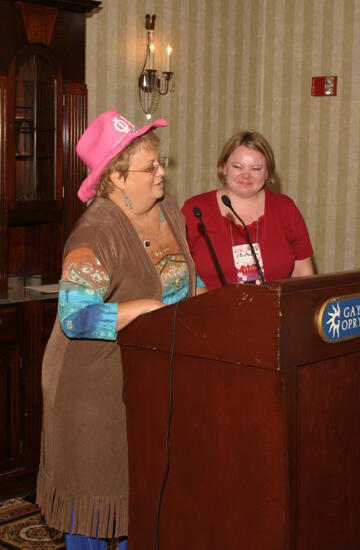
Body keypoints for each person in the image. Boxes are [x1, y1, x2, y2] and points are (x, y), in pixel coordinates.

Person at [36, 109, 206, 549]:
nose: (161, 172)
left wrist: (215, 303)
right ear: (115, 177)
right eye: (149, 167)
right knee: (95, 503)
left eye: (159, 162)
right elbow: (76, 318)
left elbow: (185, 278)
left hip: (146, 379)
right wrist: (144, 308)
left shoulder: (168, 209)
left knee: (144, 497)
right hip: (91, 387)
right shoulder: (94, 233)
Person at [182, 130, 314, 289]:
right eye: (238, 166)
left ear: (268, 173)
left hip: (275, 312)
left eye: (256, 168)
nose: (246, 176)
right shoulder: (195, 211)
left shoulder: (286, 209)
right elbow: (178, 279)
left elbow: (303, 275)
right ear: (223, 167)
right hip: (210, 312)